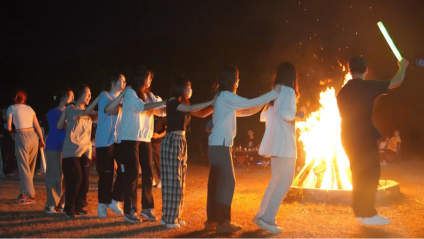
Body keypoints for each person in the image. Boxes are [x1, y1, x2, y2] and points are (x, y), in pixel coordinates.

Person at [206, 65, 279, 233]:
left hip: (216, 145)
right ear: (233, 81)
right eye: (237, 79)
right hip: (221, 146)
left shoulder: (222, 97)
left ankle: (212, 220)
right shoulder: (226, 96)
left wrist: (263, 103)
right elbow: (249, 103)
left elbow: (245, 111)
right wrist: (273, 93)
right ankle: (223, 222)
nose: (238, 82)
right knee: (228, 182)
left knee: (216, 183)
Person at [337, 56, 409, 225]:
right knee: (371, 173)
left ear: (350, 70)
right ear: (366, 70)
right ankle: (368, 213)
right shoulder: (366, 86)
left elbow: (355, 116)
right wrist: (402, 66)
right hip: (362, 136)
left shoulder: (343, 91)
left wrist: (375, 133)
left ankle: (361, 211)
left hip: (347, 136)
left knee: (359, 173)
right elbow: (396, 82)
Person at [106, 66, 167, 223]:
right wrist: (158, 105)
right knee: (132, 173)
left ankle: (147, 209)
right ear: (141, 77)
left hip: (145, 138)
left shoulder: (150, 95)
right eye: (148, 77)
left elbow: (161, 111)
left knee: (148, 174)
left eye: (151, 78)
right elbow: (140, 108)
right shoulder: (130, 92)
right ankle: (130, 210)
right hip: (130, 138)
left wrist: (165, 105)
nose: (150, 81)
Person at [254, 62, 304, 234]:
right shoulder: (288, 92)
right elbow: (286, 115)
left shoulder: (276, 93)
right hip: (285, 145)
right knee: (285, 181)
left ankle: (262, 215)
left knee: (275, 180)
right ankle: (268, 218)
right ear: (293, 77)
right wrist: (300, 115)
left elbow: (264, 116)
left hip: (275, 144)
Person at [160, 77, 214, 229]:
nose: (191, 89)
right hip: (172, 141)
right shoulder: (172, 101)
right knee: (173, 180)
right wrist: (211, 101)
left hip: (181, 141)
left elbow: (201, 113)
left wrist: (214, 106)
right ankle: (168, 218)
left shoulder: (185, 103)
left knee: (181, 179)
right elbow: (190, 110)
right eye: (188, 87)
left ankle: (176, 215)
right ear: (180, 88)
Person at [57, 85, 100, 218]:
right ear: (80, 95)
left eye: (91, 95)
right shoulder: (71, 108)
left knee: (85, 181)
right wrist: (98, 100)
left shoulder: (90, 112)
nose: (89, 97)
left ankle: (80, 206)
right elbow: (61, 125)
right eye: (87, 95)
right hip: (71, 150)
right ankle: (69, 208)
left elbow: (97, 117)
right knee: (75, 179)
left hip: (85, 150)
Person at [95, 73, 126, 218]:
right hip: (104, 142)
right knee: (106, 175)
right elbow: (109, 110)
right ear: (113, 81)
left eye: (125, 81)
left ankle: (115, 200)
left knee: (126, 170)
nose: (124, 83)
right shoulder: (104, 95)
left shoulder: (123, 99)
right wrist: (121, 98)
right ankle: (102, 204)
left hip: (118, 141)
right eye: (122, 80)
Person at [7, 90, 46, 204]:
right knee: (30, 167)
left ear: (15, 98)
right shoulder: (30, 109)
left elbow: (9, 127)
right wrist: (42, 140)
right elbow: (37, 125)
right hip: (34, 136)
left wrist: (10, 131)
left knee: (23, 167)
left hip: (22, 135)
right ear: (24, 99)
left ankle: (30, 196)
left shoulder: (12, 108)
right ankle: (24, 192)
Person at [44, 89, 74, 213]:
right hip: (54, 147)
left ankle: (60, 203)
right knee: (54, 176)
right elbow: (61, 126)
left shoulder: (64, 111)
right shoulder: (55, 112)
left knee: (63, 176)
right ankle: (51, 205)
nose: (73, 98)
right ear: (66, 97)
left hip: (64, 147)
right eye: (72, 96)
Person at [151, 115, 166, 188]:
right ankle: (151, 179)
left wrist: (158, 135)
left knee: (158, 161)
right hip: (147, 140)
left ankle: (161, 180)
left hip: (157, 142)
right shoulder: (149, 114)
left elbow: (166, 130)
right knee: (148, 161)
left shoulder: (162, 116)